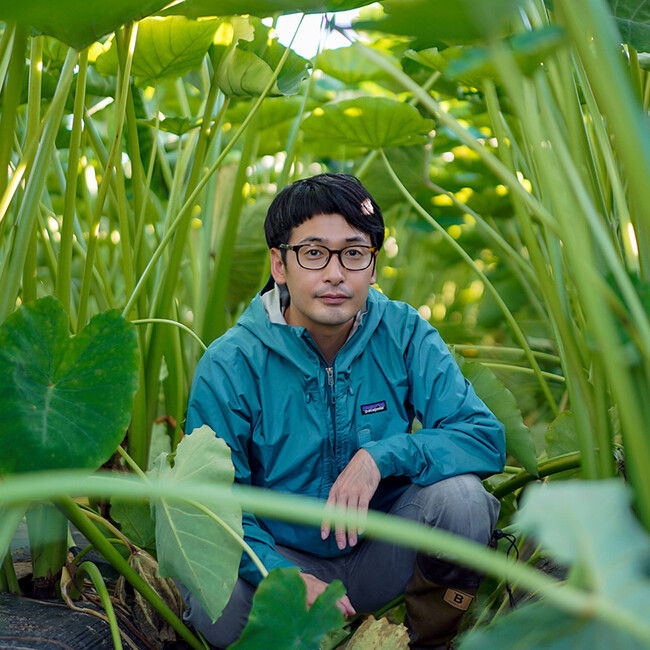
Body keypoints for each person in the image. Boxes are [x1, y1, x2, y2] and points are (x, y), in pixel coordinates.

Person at [182, 173, 505, 649]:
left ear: (372, 267)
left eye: (353, 254)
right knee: (220, 610)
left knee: (463, 500)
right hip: (281, 558)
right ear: (279, 264)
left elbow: (482, 436)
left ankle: (428, 639)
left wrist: (380, 457)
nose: (335, 274)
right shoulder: (231, 363)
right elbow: (213, 504)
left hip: (382, 552)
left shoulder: (405, 333)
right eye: (314, 253)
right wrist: (282, 574)